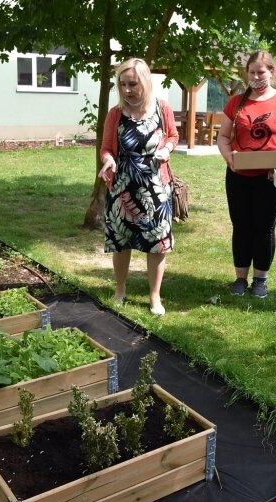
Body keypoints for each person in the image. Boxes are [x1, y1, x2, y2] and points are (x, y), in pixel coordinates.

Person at [98, 57, 179, 316]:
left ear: (144, 81)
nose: (126, 89)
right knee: (121, 241)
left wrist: (166, 148)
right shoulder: (115, 114)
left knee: (157, 242)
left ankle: (155, 297)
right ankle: (120, 289)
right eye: (122, 84)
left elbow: (173, 136)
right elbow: (106, 149)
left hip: (156, 188)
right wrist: (109, 161)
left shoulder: (162, 108)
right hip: (122, 188)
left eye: (132, 84)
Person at [216, 51, 276, 298]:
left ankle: (260, 279)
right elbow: (223, 137)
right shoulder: (236, 102)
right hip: (239, 175)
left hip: (271, 177)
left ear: (272, 72)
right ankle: (240, 279)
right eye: (251, 72)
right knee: (241, 226)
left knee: (264, 228)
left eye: (261, 72)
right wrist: (228, 156)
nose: (256, 76)